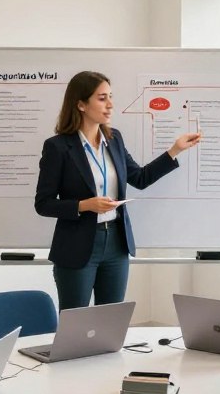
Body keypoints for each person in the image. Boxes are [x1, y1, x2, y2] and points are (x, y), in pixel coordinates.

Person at [35, 71, 201, 310]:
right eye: (102, 98)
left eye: (111, 97)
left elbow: (140, 178)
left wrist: (174, 151)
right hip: (77, 246)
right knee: (75, 322)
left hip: (116, 242)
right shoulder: (58, 147)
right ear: (81, 104)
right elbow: (44, 203)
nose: (110, 104)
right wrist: (85, 205)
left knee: (111, 320)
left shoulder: (114, 139)